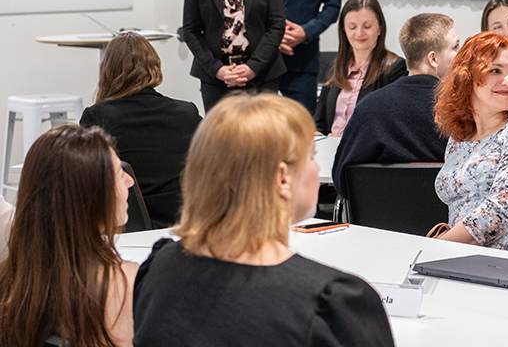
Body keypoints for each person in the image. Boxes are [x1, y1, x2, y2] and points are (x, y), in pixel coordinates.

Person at [133, 95, 394, 346]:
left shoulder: (159, 270)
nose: (316, 168)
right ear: (283, 178)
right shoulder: (330, 305)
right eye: (310, 157)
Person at [0, 124, 137, 347]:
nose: (129, 181)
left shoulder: (11, 286)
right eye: (120, 173)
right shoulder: (125, 288)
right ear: (91, 198)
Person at [433, 32, 508, 255]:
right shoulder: (460, 137)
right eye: (495, 70)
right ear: (467, 76)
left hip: (505, 263)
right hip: (458, 256)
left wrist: (434, 247)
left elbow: (498, 212)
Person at [80, 32, 203, 228]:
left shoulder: (98, 117)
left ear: (107, 70)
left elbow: (86, 182)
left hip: (126, 227)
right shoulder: (187, 112)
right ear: (154, 65)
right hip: (186, 224)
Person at [332, 13, 459, 197]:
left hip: (374, 223)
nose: (462, 54)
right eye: (455, 46)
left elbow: (342, 180)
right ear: (433, 59)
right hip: (448, 223)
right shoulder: (463, 110)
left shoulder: (370, 108)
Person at [315, 0, 407, 135]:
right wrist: (317, 133)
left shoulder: (395, 68)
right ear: (344, 30)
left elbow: (392, 126)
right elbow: (320, 122)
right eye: (352, 27)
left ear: (380, 28)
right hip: (330, 148)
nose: (359, 33)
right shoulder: (335, 66)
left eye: (367, 26)